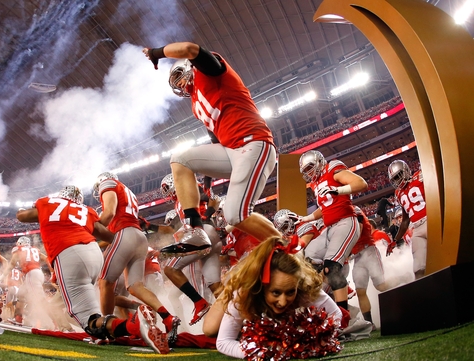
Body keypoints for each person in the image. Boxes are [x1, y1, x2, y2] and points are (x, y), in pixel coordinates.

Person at [143, 42, 280, 257]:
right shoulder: (196, 102)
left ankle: (287, 246)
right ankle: (195, 231)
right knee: (180, 158)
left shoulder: (211, 71)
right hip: (231, 149)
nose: (179, 82)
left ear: (191, 67)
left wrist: (156, 53)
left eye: (180, 74)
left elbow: (190, 48)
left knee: (235, 215)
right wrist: (207, 177)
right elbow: (214, 136)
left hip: (253, 142)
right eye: (175, 80)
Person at [16, 185, 170, 354]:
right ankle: (122, 329)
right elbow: (108, 236)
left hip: (68, 254)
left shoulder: (48, 202)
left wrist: (23, 209)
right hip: (94, 254)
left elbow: (22, 216)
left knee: (90, 323)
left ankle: (136, 323)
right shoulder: (86, 210)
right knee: (95, 317)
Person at [215, 237, 342, 359]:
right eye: (276, 292)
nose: (283, 301)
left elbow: (336, 314)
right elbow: (223, 342)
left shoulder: (304, 287)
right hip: (237, 291)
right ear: (262, 286)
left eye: (290, 292)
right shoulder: (245, 293)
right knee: (211, 329)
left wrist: (315, 341)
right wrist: (260, 352)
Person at [93, 171, 181, 344]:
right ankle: (168, 318)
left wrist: (89, 230)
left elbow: (109, 214)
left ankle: (107, 330)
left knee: (105, 282)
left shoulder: (108, 184)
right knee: (135, 286)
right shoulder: (128, 193)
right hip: (139, 237)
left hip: (124, 233)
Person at [295, 150, 367, 314]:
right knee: (306, 261)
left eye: (310, 167)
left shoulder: (332, 169)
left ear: (320, 162)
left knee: (332, 268)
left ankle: (344, 317)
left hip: (346, 222)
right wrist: (305, 218)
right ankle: (331, 305)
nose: (308, 173)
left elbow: (361, 183)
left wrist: (338, 190)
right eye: (305, 171)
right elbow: (324, 207)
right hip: (330, 228)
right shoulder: (315, 183)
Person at [158, 173, 222, 328]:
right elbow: (170, 228)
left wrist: (205, 218)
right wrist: (147, 227)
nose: (169, 194)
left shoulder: (189, 189)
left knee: (170, 269)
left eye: (168, 189)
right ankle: (239, 320)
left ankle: (200, 304)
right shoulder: (181, 201)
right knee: (216, 286)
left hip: (203, 233)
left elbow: (214, 199)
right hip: (211, 237)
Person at [388, 159, 427, 279]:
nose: (397, 181)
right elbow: (405, 221)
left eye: (398, 176)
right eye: (394, 179)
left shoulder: (420, 177)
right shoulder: (398, 193)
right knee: (418, 269)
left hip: (431, 220)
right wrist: (395, 240)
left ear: (405, 171)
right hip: (417, 228)